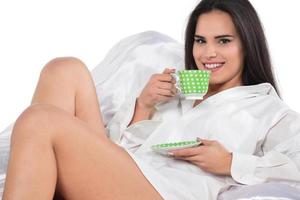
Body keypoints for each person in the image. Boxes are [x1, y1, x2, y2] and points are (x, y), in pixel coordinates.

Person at [3, 0, 300, 199]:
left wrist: (231, 162)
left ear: (248, 44)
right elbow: (123, 151)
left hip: (166, 192)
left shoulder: (268, 110)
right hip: (130, 173)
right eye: (200, 41)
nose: (208, 54)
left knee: (40, 120)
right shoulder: (176, 89)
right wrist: (143, 107)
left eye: (223, 41)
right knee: (63, 69)